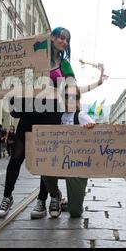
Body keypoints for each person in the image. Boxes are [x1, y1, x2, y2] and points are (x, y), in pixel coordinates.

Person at [0, 27, 106, 218]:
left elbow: (73, 90)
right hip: (30, 113)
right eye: (61, 38)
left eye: (67, 40)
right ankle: (7, 197)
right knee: (16, 156)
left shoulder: (65, 65)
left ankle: (42, 200)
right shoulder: (34, 59)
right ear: (52, 38)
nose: (64, 42)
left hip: (51, 115)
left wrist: (96, 84)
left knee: (45, 159)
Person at [42, 86, 96, 218]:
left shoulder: (81, 116)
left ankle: (68, 203)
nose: (70, 99)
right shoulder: (57, 116)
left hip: (77, 166)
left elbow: (97, 135)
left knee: (75, 212)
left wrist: (90, 128)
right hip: (58, 162)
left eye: (74, 96)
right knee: (42, 165)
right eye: (67, 96)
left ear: (78, 99)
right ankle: (56, 195)